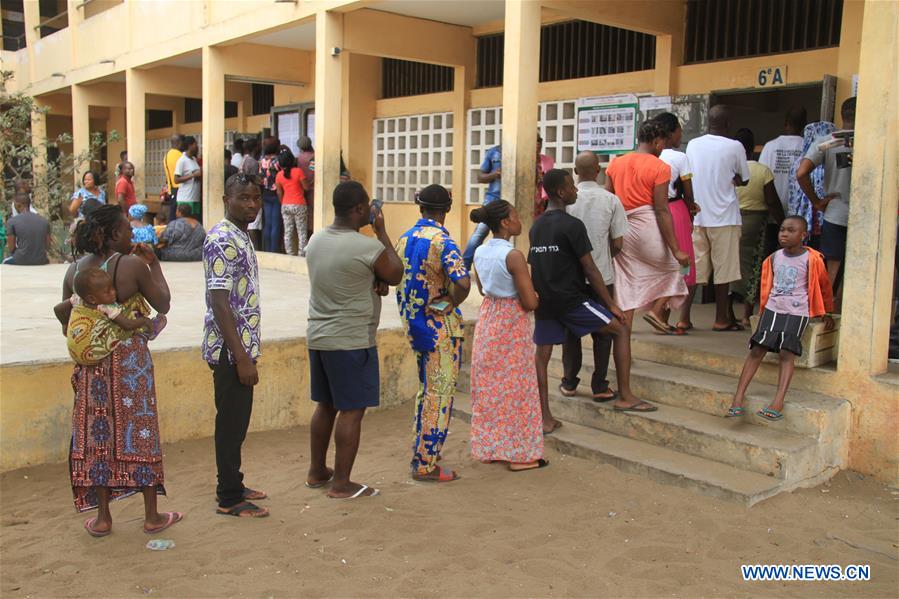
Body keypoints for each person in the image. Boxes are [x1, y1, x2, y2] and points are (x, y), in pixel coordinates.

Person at [54, 204, 179, 537]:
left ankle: (103, 518)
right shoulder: (133, 265)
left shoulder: (75, 271)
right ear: (111, 234)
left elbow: (69, 320)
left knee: (98, 437)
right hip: (129, 363)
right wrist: (154, 264)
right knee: (140, 430)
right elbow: (163, 303)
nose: (131, 234)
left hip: (92, 368)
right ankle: (152, 516)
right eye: (126, 229)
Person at [530, 169, 654, 429]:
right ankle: (626, 396)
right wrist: (610, 304)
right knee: (620, 329)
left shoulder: (537, 225)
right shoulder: (573, 225)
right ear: (562, 193)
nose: (576, 191)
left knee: (541, 357)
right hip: (572, 301)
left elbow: (538, 265)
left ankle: (544, 418)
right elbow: (590, 268)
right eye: (571, 188)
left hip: (546, 303)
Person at [305, 181, 404, 498]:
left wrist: (374, 280)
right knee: (352, 410)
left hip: (319, 336)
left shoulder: (316, 240)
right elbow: (396, 272)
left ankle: (317, 471)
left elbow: (360, 276)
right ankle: (342, 483)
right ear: (361, 209)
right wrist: (382, 232)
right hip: (351, 341)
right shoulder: (366, 247)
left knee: (326, 405)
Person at [202, 173, 269, 518]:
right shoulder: (222, 239)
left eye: (256, 198)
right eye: (244, 198)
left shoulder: (241, 236)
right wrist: (241, 357)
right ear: (227, 199)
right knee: (230, 424)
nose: (252, 205)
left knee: (237, 422)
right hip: (231, 351)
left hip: (242, 348)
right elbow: (219, 301)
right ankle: (229, 497)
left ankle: (234, 482)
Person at [396, 184, 471, 483]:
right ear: (448, 208)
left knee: (425, 392)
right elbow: (463, 282)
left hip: (414, 327)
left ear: (419, 206)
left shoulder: (404, 238)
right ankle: (426, 463)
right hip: (440, 329)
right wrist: (451, 301)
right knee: (438, 395)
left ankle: (423, 451)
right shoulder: (443, 241)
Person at [726, 216, 834, 421]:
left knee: (787, 352)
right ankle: (738, 397)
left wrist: (825, 311)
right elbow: (767, 286)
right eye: (782, 230)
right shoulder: (773, 258)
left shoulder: (812, 259)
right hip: (774, 309)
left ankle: (778, 402)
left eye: (791, 230)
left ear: (803, 235)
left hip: (797, 311)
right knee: (757, 349)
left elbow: (823, 287)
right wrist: (762, 309)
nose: (784, 234)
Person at [469, 200, 547, 471]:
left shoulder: (480, 251)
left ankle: (492, 446)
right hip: (512, 324)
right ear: (505, 222)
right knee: (517, 387)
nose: (518, 219)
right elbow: (529, 302)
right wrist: (536, 294)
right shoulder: (513, 256)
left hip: (489, 319)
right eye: (515, 214)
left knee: (491, 387)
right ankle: (520, 455)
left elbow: (481, 289)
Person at [605, 121, 690, 334]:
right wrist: (675, 249)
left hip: (621, 229)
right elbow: (662, 209)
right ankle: (656, 311)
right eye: (663, 142)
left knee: (627, 284)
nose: (663, 148)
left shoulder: (616, 163)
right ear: (656, 142)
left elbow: (609, 200)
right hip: (647, 226)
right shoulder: (660, 167)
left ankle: (624, 336)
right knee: (673, 269)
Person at [560, 151, 627, 400]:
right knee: (604, 331)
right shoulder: (611, 200)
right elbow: (618, 243)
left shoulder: (565, 200)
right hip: (603, 278)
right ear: (598, 171)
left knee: (571, 331)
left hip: (571, 279)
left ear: (575, 172)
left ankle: (569, 382)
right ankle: (599, 385)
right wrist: (602, 259)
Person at [685, 105, 751, 331]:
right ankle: (721, 318)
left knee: (695, 269)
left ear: (708, 123)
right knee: (724, 271)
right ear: (728, 123)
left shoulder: (693, 144)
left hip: (698, 216)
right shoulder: (735, 146)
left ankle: (684, 317)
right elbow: (745, 178)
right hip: (725, 217)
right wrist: (735, 179)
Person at [796, 96, 855, 306]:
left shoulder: (828, 141)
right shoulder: (873, 141)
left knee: (833, 266)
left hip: (836, 212)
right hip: (867, 216)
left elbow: (801, 173)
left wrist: (817, 201)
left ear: (842, 115)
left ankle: (826, 313)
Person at [56, 267, 166, 365]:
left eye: (113, 288)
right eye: (107, 291)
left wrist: (65, 325)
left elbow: (58, 309)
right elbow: (127, 325)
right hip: (94, 353)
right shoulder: (106, 307)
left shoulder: (76, 299)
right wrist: (144, 321)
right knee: (131, 309)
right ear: (92, 299)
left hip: (75, 352)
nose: (113, 292)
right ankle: (147, 331)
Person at [730, 128, 784, 327]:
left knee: (730, 267)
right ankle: (746, 314)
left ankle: (726, 311)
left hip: (732, 221)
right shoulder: (762, 170)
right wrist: (782, 223)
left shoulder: (729, 170)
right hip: (756, 223)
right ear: (752, 147)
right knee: (754, 268)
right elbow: (771, 201)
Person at [655, 113, 700, 334]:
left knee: (659, 262)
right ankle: (664, 315)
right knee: (683, 264)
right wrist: (692, 207)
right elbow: (688, 191)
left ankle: (659, 313)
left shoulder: (650, 155)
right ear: (672, 132)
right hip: (674, 210)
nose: (681, 134)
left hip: (651, 211)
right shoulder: (679, 158)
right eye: (679, 130)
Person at [759, 107, 807, 220]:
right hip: (800, 214)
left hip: (772, 213)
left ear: (785, 124)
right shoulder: (808, 147)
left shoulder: (770, 146)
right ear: (805, 125)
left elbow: (760, 178)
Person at [462, 143, 501, 269]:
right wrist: (495, 174)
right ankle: (464, 266)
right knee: (480, 232)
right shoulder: (493, 152)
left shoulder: (526, 151)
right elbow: (480, 177)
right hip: (493, 198)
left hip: (513, 199)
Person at [275, 150, 310, 256]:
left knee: (288, 232)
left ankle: (289, 254)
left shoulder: (279, 175)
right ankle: (301, 255)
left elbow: (279, 192)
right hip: (299, 204)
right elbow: (306, 187)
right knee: (302, 232)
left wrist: (283, 203)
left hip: (285, 205)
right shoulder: (298, 172)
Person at [4, 194, 50, 265]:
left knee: (4, 262)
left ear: (18, 205)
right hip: (41, 260)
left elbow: (11, 247)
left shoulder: (12, 221)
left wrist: (20, 255)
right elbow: (47, 245)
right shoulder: (44, 221)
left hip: (20, 259)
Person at [258, 138, 283, 252]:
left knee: (268, 223)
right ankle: (274, 250)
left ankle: (267, 249)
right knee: (276, 223)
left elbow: (260, 177)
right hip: (277, 194)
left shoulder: (262, 160)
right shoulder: (278, 161)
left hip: (266, 193)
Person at [240, 138, 262, 250]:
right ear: (255, 148)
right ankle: (255, 249)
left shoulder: (245, 159)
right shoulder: (253, 162)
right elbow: (253, 179)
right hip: (251, 193)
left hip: (244, 192)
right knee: (254, 223)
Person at [174, 136, 202, 222]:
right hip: (185, 199)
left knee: (194, 222)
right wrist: (192, 175)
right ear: (190, 146)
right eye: (195, 144)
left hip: (195, 198)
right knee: (185, 223)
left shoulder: (194, 159)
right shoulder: (182, 160)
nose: (197, 146)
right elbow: (176, 180)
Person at [533, 133, 556, 218]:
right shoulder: (522, 160)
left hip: (544, 201)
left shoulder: (548, 160)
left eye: (539, 140)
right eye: (534, 140)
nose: (538, 143)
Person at [297, 136, 315, 238]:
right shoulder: (313, 157)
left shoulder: (300, 157)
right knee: (312, 216)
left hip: (302, 189)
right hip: (312, 189)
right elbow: (313, 172)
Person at [164, 134, 184, 223]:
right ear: (179, 143)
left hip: (171, 188)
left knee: (173, 213)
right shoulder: (180, 155)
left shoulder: (167, 155)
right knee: (179, 214)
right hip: (179, 188)